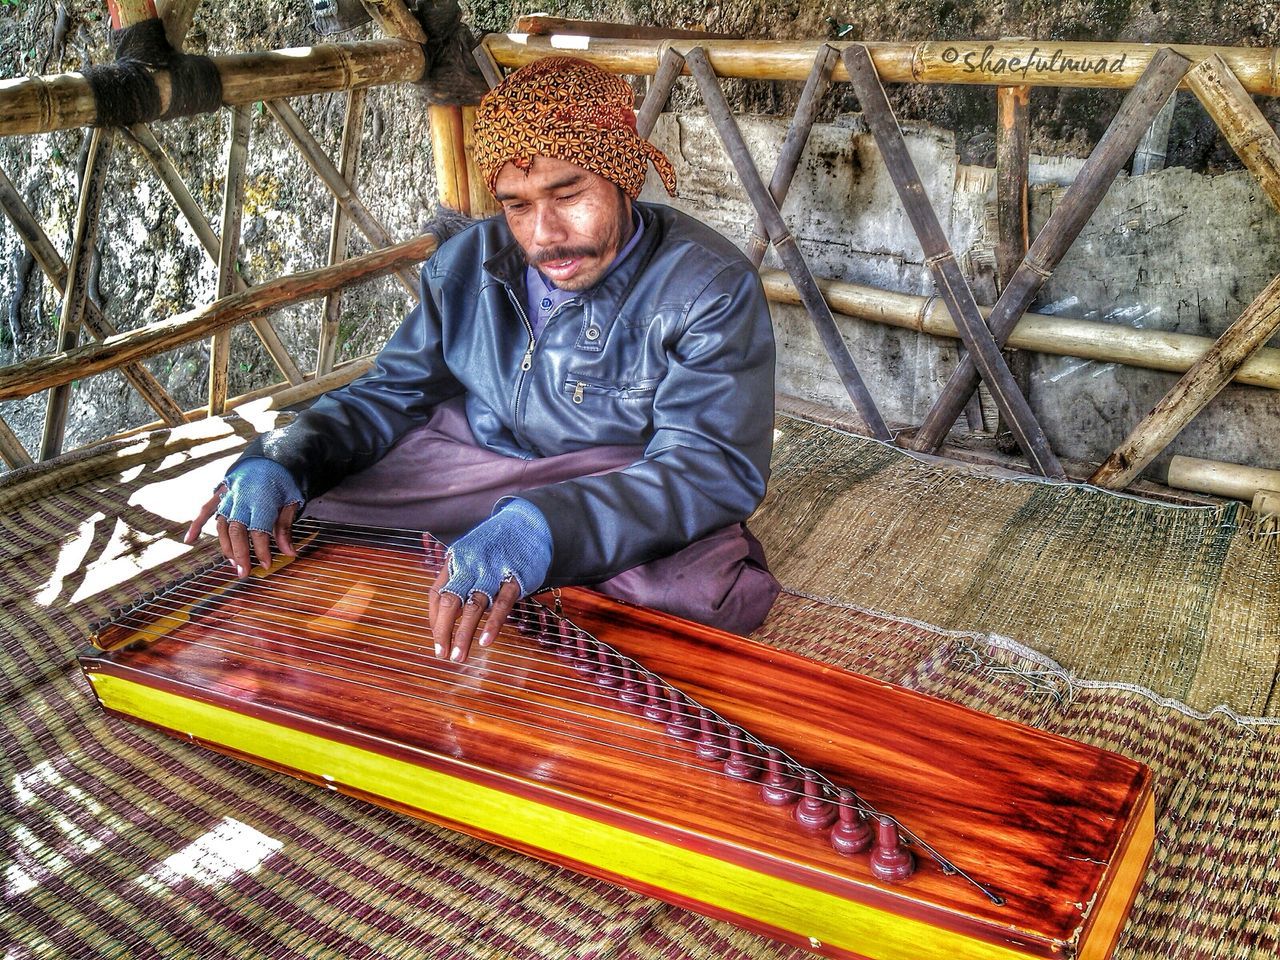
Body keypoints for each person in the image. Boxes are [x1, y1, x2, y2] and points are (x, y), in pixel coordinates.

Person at [186, 56, 779, 661]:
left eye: (569, 193)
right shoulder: (468, 261)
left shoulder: (710, 286)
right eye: (516, 205)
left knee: (702, 593)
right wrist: (284, 456)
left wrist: (540, 527)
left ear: (625, 178)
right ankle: (492, 541)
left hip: (609, 475)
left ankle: (516, 540)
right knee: (300, 499)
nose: (544, 233)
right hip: (472, 454)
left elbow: (708, 465)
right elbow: (392, 393)